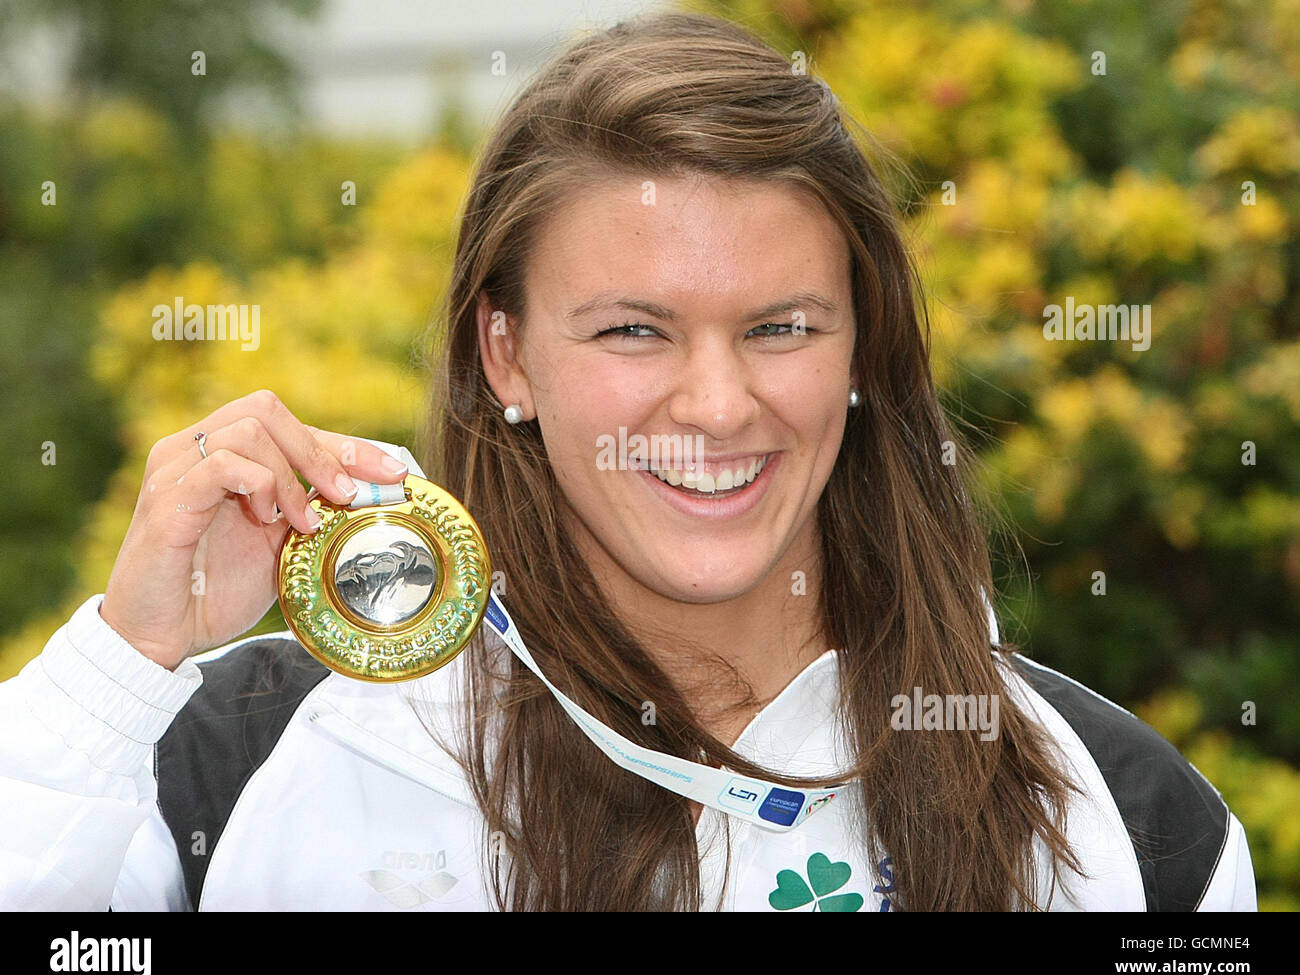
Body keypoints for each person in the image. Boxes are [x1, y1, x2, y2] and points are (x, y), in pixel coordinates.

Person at [0, 11, 1255, 912]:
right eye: (632, 330)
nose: (715, 406)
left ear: (860, 346)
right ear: (506, 355)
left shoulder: (1125, 820)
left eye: (781, 327)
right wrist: (122, 668)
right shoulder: (232, 763)